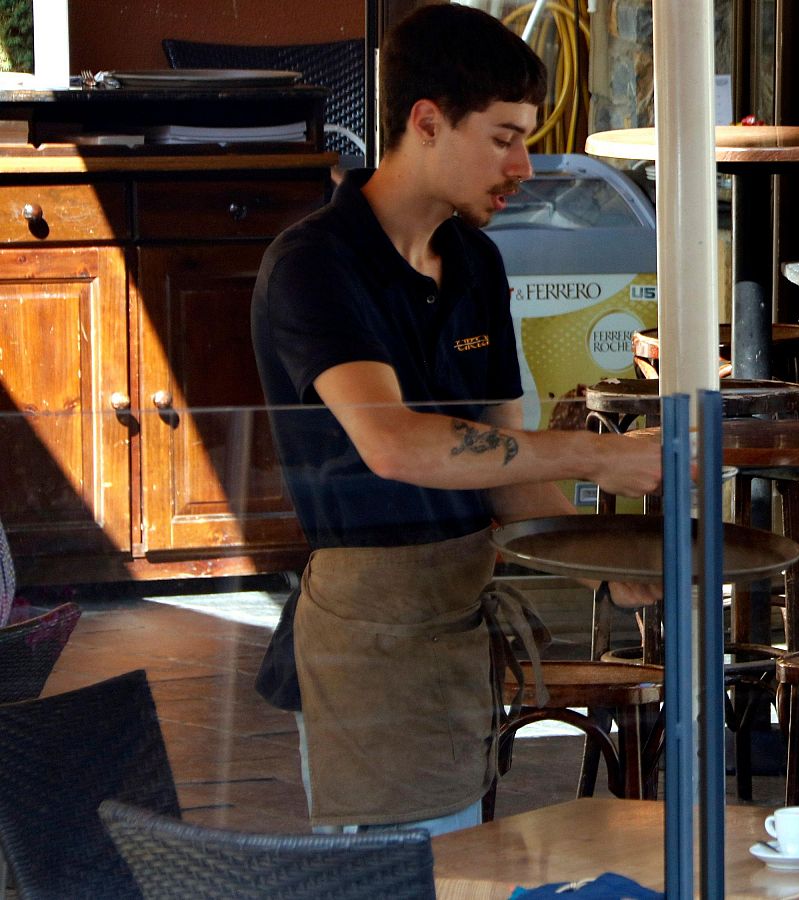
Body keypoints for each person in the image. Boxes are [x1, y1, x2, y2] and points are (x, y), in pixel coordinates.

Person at [250, 4, 660, 836]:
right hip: (368, 636)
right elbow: (394, 444)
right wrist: (595, 455)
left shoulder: (476, 260)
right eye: (505, 135)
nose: (525, 161)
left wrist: (618, 565)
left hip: (463, 623)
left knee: (465, 861)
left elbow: (513, 485)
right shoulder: (315, 265)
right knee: (401, 874)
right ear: (427, 123)